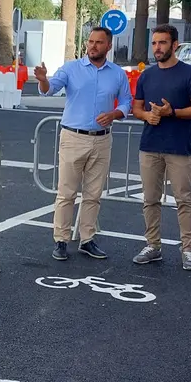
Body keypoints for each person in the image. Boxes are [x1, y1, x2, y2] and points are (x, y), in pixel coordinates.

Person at [34, 27, 133, 262]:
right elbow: (51, 90)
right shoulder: (71, 69)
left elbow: (127, 101)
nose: (93, 46)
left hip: (102, 139)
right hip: (73, 137)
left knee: (93, 194)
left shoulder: (118, 74)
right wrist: (43, 81)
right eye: (90, 41)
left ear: (109, 46)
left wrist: (115, 114)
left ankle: (87, 239)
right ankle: (61, 240)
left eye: (99, 42)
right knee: (66, 193)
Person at [131, 25, 191, 270]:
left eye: (162, 43)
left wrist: (171, 112)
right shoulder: (147, 75)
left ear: (175, 45)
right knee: (150, 199)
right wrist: (147, 117)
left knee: (184, 200)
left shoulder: (190, 75)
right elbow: (136, 108)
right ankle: (153, 245)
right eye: (154, 43)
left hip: (178, 148)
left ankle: (189, 250)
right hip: (150, 146)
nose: (157, 48)